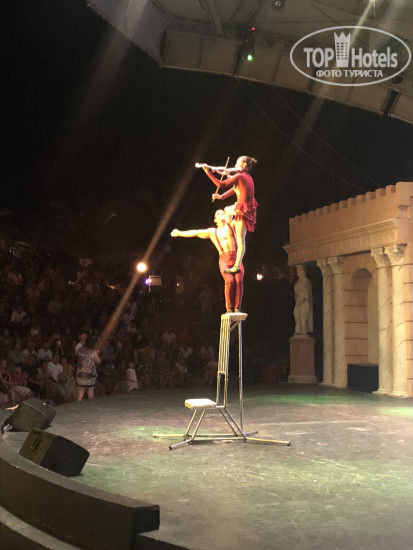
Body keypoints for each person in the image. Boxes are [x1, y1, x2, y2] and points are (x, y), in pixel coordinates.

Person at [171, 209, 244, 313]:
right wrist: (179, 233)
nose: (221, 214)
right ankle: (229, 308)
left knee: (239, 280)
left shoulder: (232, 225)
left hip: (236, 257)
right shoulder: (212, 232)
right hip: (224, 259)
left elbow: (239, 212)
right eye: (218, 214)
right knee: (230, 280)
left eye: (223, 213)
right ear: (215, 220)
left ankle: (237, 307)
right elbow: (196, 232)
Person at [202, 156, 258, 274]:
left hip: (243, 210)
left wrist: (208, 172)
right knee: (227, 210)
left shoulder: (240, 176)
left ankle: (237, 265)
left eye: (237, 163)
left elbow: (220, 184)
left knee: (240, 240)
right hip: (244, 208)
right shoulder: (246, 177)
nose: (235, 165)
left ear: (243, 165)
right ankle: (229, 228)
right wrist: (221, 196)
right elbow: (234, 189)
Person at [75, 333, 100, 401]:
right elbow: (98, 361)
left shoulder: (79, 350)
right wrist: (94, 365)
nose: (81, 341)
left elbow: (76, 360)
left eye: (82, 340)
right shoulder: (93, 352)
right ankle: (90, 406)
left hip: (81, 375)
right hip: (90, 375)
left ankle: (78, 405)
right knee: (90, 391)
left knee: (81, 391)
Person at [293, 264, 313, 335]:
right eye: (297, 270)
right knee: (296, 315)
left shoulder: (306, 281)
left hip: (304, 301)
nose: (298, 272)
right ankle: (298, 331)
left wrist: (302, 298)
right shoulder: (298, 281)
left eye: (299, 270)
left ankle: (304, 331)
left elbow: (307, 293)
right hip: (298, 301)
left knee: (302, 316)